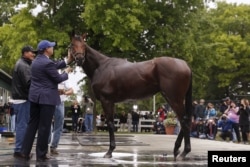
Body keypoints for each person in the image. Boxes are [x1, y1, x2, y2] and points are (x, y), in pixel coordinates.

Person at [18, 40, 73, 161]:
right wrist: (67, 72)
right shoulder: (47, 63)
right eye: (51, 47)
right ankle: (41, 154)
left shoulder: (36, 61)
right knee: (44, 127)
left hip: (35, 97)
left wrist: (67, 61)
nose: (53, 48)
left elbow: (54, 65)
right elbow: (58, 78)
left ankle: (24, 151)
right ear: (46, 49)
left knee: (32, 125)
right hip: (46, 99)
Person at [11, 46, 36, 158]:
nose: (33, 54)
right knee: (22, 125)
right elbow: (29, 83)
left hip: (19, 99)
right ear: (25, 53)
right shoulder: (23, 65)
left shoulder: (22, 63)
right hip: (23, 99)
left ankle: (20, 149)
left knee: (21, 125)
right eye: (31, 52)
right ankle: (19, 150)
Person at [50, 80, 73, 155]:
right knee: (47, 124)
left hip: (60, 102)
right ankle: (46, 145)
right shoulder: (47, 72)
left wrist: (64, 92)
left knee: (59, 125)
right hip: (48, 101)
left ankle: (53, 146)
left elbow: (71, 90)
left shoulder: (63, 77)